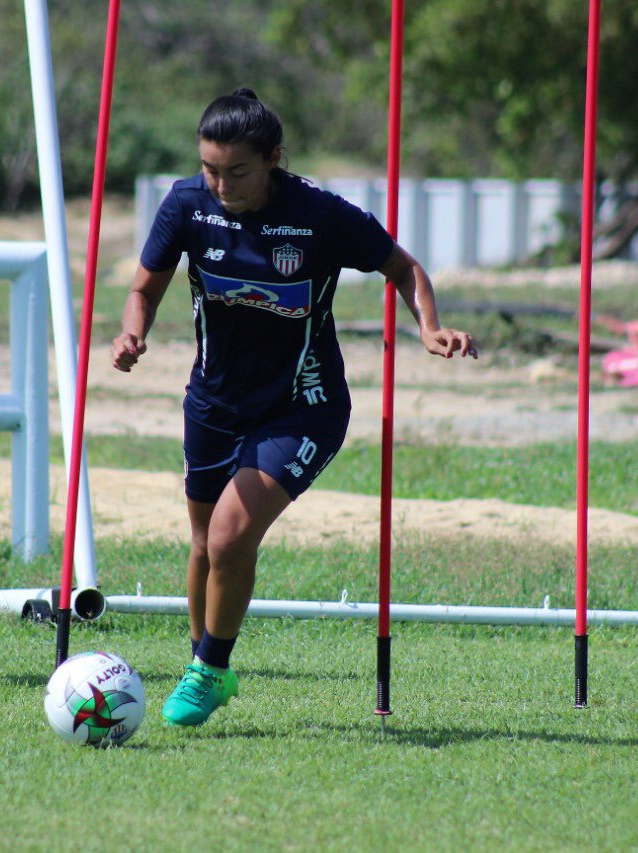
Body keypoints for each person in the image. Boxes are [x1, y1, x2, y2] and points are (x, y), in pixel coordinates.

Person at [112, 88, 476, 725]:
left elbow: (403, 267)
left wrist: (428, 327)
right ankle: (205, 662)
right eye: (210, 169)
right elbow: (144, 286)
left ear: (274, 158)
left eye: (237, 171)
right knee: (204, 543)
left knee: (229, 536)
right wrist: (131, 332)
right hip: (213, 402)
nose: (221, 184)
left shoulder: (319, 215)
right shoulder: (186, 204)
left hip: (304, 405)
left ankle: (208, 670)